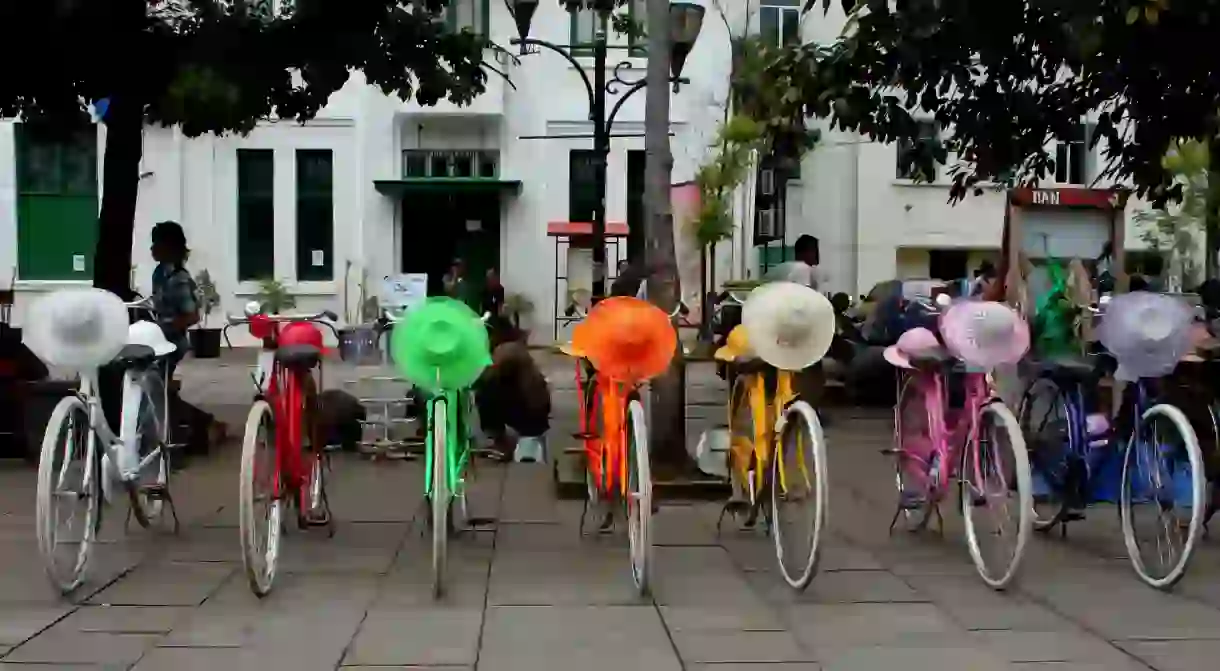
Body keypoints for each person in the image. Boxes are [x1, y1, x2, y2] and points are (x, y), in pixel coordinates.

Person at [475, 333, 551, 463]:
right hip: (534, 422)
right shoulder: (534, 379)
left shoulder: (496, 382)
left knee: (485, 396)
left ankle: (501, 442)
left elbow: (484, 395)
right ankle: (516, 443)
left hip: (523, 415)